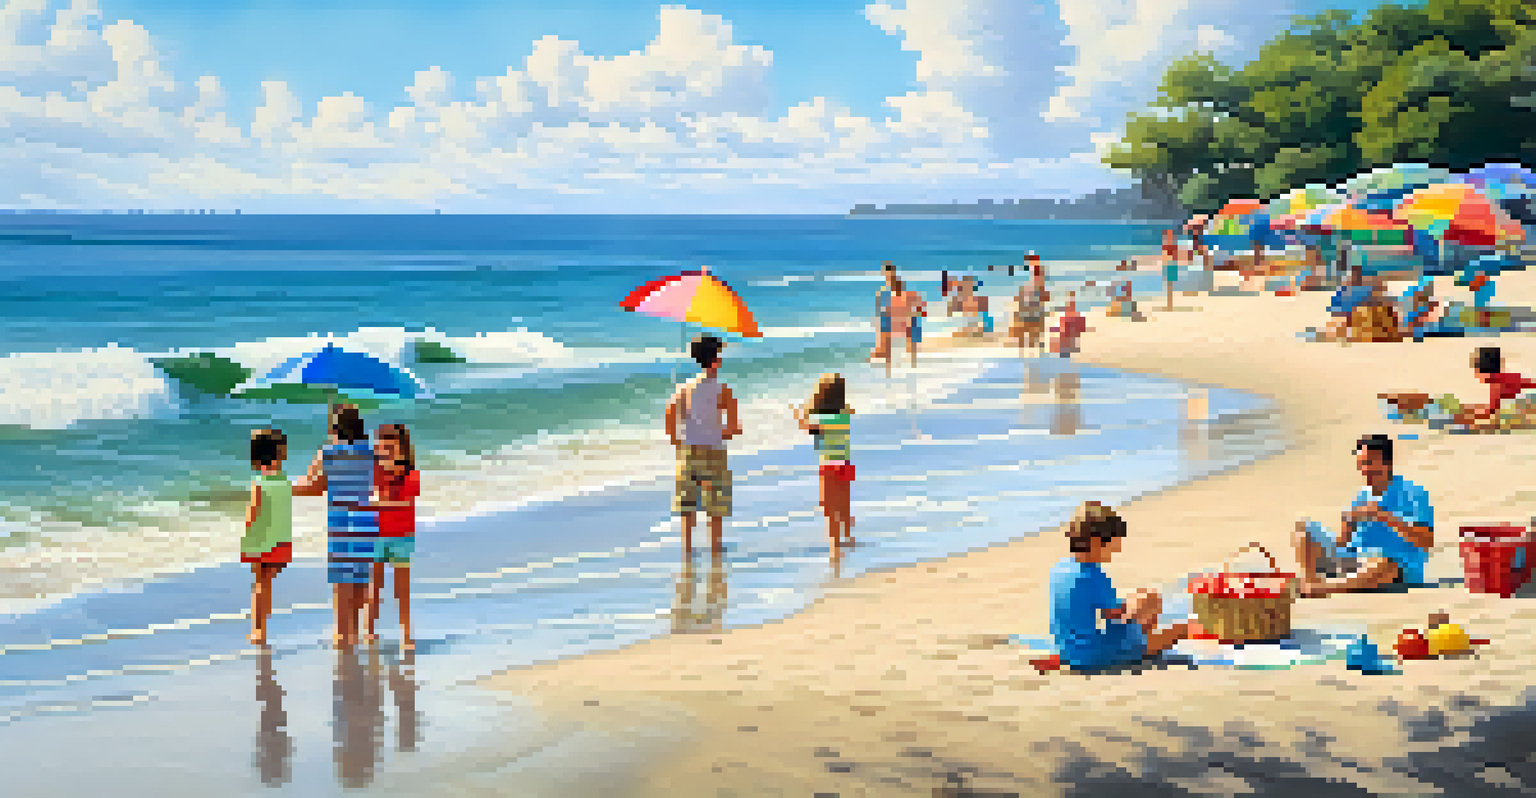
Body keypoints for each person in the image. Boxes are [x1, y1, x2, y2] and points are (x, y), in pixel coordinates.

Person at [1049, 501, 1191, 672]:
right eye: (1113, 545)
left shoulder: (1060, 569)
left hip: (1067, 652)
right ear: (1096, 542)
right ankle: (1141, 647)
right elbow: (1116, 616)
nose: (1116, 550)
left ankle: (1140, 641)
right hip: (1096, 656)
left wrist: (1135, 604)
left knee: (1148, 598)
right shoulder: (1093, 576)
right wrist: (1132, 609)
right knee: (1180, 628)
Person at [1292, 434, 1434, 598]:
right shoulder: (1361, 497)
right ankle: (1311, 582)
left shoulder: (1413, 494)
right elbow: (1343, 544)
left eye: (1370, 463)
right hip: (1356, 562)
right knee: (1303, 529)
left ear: (1388, 463)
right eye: (1361, 464)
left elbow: (1426, 541)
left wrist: (1383, 515)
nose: (1365, 470)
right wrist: (1347, 523)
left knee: (1387, 565)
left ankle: (1326, 588)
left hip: (1396, 568)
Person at [294, 404, 376, 648]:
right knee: (360, 576)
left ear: (333, 427)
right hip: (365, 518)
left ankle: (342, 634)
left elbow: (313, 486)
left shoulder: (328, 452)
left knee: (342, 578)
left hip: (340, 519)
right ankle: (355, 627)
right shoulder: (371, 452)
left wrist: (287, 487)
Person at [665, 335, 743, 558]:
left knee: (688, 500)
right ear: (715, 360)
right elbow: (733, 427)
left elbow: (670, 419)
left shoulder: (683, 389)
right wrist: (726, 432)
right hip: (714, 449)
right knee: (715, 500)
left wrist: (677, 440)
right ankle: (714, 545)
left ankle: (687, 547)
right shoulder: (723, 390)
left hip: (689, 449)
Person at [364, 423, 420, 649]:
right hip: (376, 535)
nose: (384, 453)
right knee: (373, 587)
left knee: (401, 589)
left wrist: (376, 503)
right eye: (380, 448)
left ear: (402, 450)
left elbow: (405, 502)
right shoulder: (375, 471)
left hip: (402, 537)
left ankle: (406, 634)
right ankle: (369, 632)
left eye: (389, 448)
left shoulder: (411, 474)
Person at [794, 373, 856, 554]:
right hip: (845, 463)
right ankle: (848, 536)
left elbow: (805, 426)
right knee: (844, 504)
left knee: (829, 505)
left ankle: (834, 543)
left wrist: (805, 410)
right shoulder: (845, 415)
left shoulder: (822, 420)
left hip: (829, 465)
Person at [242, 429, 293, 646]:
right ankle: (262, 628)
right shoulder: (284, 481)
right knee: (267, 584)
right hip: (281, 539)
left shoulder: (259, 482)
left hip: (262, 539)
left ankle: (258, 630)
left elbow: (252, 513)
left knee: (259, 585)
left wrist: (247, 537)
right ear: (279, 455)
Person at [888, 277, 926, 367]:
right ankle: (909, 362)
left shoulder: (909, 295)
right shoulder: (893, 298)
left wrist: (918, 313)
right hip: (904, 322)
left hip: (910, 321)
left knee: (912, 342)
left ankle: (913, 362)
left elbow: (920, 304)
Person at [869, 262, 899, 367]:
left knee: (885, 331)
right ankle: (883, 352)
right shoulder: (887, 287)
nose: (887, 275)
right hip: (888, 307)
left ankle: (885, 354)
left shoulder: (893, 285)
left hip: (890, 308)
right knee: (883, 330)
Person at [1050, 292, 1087, 357]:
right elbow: (1082, 329)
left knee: (1054, 343)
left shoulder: (1068, 316)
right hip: (1070, 342)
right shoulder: (1077, 316)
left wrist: (1054, 329)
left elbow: (1061, 328)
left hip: (1066, 343)